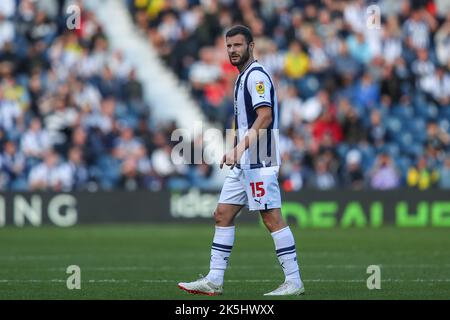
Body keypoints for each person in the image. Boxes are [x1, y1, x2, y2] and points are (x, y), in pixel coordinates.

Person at [178, 25, 305, 296]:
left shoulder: (256, 76)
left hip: (260, 157)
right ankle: (214, 279)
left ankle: (294, 280)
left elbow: (265, 116)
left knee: (271, 218)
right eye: (229, 46)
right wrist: (235, 149)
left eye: (238, 45)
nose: (233, 50)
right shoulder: (241, 78)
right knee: (222, 214)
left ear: (251, 45)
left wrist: (240, 148)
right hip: (246, 159)